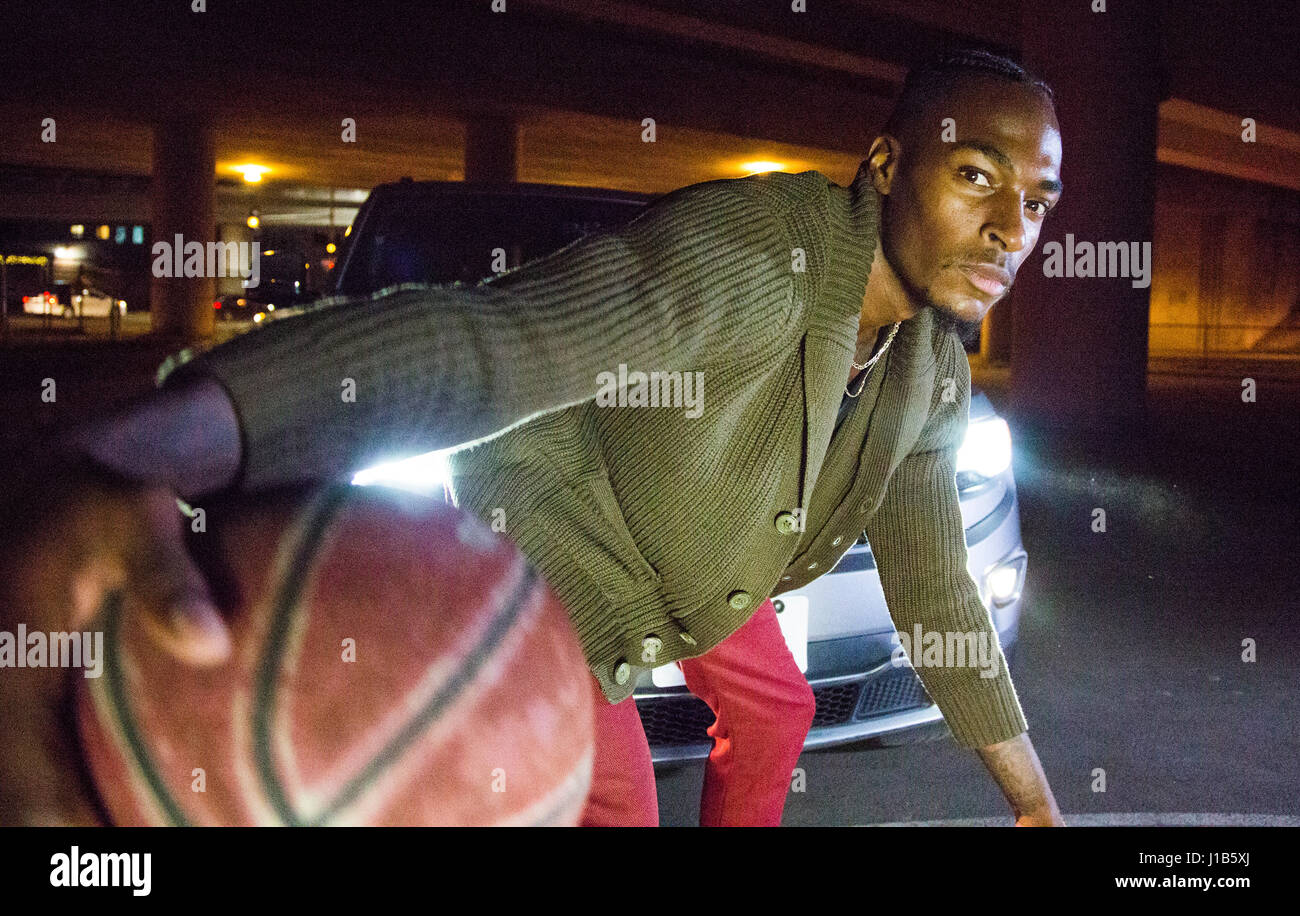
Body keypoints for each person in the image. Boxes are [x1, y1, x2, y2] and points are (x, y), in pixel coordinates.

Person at [16, 49, 1065, 827]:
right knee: (613, 802)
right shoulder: (756, 259)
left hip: (689, 551)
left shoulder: (929, 367)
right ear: (886, 164)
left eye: (1036, 200)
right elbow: (495, 342)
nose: (1011, 227)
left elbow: (937, 592)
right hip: (556, 533)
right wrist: (129, 453)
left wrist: (1036, 808)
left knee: (779, 707)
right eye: (976, 176)